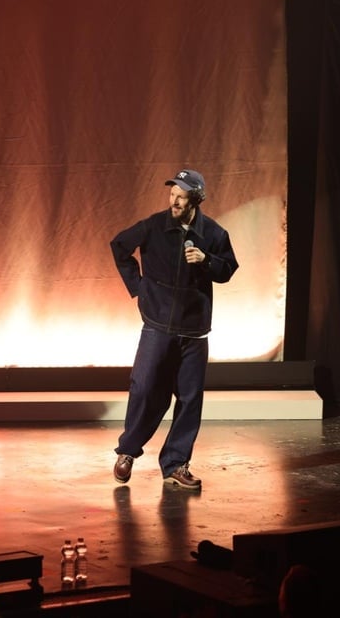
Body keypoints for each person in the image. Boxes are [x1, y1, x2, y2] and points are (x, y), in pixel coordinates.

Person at [110, 169, 238, 490]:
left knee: (190, 398)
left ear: (195, 199)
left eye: (181, 196)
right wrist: (139, 288)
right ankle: (127, 451)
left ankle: (176, 464)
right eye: (172, 194)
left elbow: (228, 269)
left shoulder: (213, 233)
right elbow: (120, 246)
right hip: (157, 327)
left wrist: (206, 260)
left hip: (194, 331)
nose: (174, 200)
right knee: (145, 389)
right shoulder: (155, 225)